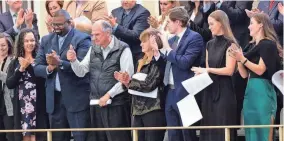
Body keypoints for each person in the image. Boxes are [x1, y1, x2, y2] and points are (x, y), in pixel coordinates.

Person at [67, 20, 133, 141]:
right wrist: (74, 60)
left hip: (116, 105)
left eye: (97, 34)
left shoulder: (123, 49)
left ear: (108, 33)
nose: (93, 38)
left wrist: (109, 95)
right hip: (96, 103)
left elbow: (127, 79)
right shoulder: (93, 49)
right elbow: (81, 72)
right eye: (92, 34)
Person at [34, 10, 91, 141]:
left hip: (76, 100)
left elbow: (83, 68)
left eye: (59, 25)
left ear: (69, 23)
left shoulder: (82, 38)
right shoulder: (46, 40)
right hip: (54, 100)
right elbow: (37, 68)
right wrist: (50, 67)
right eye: (54, 24)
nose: (56, 28)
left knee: (80, 138)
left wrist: (60, 63)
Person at [229, 13, 282, 141]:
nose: (248, 27)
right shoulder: (251, 46)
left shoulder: (268, 44)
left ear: (261, 25)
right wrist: (237, 58)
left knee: (263, 132)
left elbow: (260, 70)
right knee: (251, 132)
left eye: (251, 23)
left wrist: (242, 58)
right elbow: (243, 74)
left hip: (263, 92)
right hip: (250, 92)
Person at [191, 10, 238, 141]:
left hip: (224, 92)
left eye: (212, 24)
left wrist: (208, 70)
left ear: (221, 23)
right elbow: (207, 69)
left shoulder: (230, 44)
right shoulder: (209, 44)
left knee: (222, 129)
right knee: (209, 128)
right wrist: (200, 75)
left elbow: (229, 70)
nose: (209, 27)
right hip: (209, 91)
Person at [114, 28, 167, 141]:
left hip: (153, 109)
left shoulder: (160, 60)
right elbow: (135, 85)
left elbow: (150, 84)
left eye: (144, 41)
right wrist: (125, 82)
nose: (141, 44)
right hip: (137, 110)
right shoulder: (140, 61)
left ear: (154, 42)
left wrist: (130, 82)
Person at [162, 7, 203, 141]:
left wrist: (167, 49)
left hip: (186, 92)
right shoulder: (172, 39)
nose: (166, 25)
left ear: (178, 22)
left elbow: (185, 63)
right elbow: (167, 61)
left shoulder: (194, 37)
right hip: (170, 91)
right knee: (173, 134)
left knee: (187, 135)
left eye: (169, 22)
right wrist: (158, 52)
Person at [6, 28, 47, 141]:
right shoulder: (15, 62)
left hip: (37, 102)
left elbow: (41, 81)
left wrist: (28, 66)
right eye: (27, 41)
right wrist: (21, 68)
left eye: (32, 40)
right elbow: (10, 83)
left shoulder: (40, 60)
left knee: (37, 135)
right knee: (24, 135)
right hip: (21, 104)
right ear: (21, 43)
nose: (30, 43)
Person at [108, 0, 150, 68]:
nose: (124, 1)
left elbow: (136, 35)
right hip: (117, 54)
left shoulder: (143, 12)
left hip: (134, 54)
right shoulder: (115, 11)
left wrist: (116, 26)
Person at [0, 33, 14, 141]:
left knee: (9, 136)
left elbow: (11, 80)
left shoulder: (13, 60)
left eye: (3, 45)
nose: (1, 48)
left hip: (7, 103)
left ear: (8, 46)